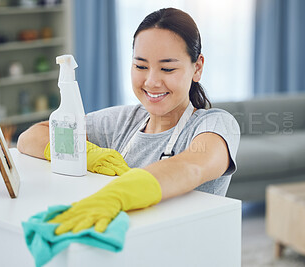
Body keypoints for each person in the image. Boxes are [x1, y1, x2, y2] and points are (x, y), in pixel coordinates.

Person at [17, 7, 240, 235]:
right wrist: (88, 154)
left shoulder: (215, 124)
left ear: (197, 67)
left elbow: (191, 167)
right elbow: (30, 138)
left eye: (167, 68)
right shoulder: (125, 121)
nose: (152, 81)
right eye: (141, 66)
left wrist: (118, 195)